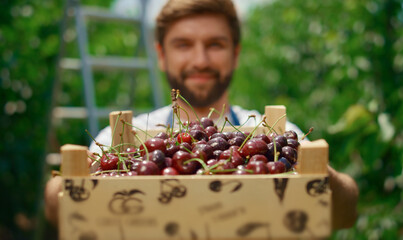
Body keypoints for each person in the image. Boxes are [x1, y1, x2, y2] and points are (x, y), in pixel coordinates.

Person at [45, 0, 359, 230]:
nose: (200, 59)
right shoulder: (126, 136)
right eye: (183, 45)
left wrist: (315, 173)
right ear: (161, 55)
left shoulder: (271, 135)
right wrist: (71, 182)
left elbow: (345, 213)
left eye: (215, 44)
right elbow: (58, 212)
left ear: (235, 54)